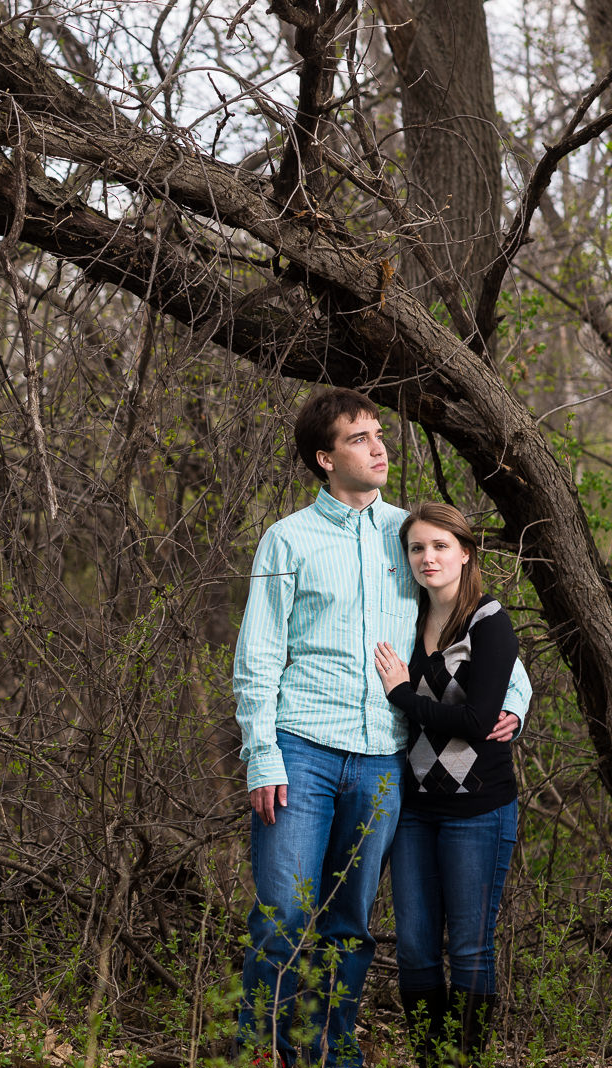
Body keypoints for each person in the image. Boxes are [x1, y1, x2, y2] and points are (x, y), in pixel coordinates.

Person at [232, 388, 530, 1068]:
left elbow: (470, 616)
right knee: (282, 915)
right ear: (324, 458)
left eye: (378, 434)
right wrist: (261, 756)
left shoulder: (411, 535)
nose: (378, 446)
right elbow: (257, 654)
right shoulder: (288, 540)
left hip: (382, 761)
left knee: (350, 925)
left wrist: (517, 693)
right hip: (300, 750)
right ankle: (261, 1052)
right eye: (359, 438)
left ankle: (333, 1052)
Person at [373, 503, 520, 1068]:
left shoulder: (489, 621)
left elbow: (479, 721)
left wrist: (404, 696)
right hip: (415, 808)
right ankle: (431, 1061)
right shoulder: (405, 618)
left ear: (464, 552)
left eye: (440, 546)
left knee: (470, 950)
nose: (428, 557)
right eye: (416, 548)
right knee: (413, 949)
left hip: (477, 809)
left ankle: (466, 1062)